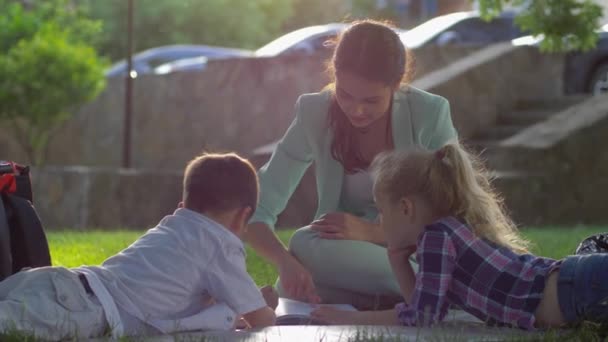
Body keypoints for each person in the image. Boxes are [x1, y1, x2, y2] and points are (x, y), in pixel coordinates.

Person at [246, 19, 458, 308]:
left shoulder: (429, 114)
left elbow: (455, 212)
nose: (356, 110)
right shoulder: (314, 112)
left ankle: (430, 289)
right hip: (335, 255)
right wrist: (284, 262)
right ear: (334, 75)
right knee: (302, 248)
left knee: (304, 246)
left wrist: (373, 233)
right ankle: (417, 297)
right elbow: (256, 208)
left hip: (412, 255)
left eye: (371, 100)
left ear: (397, 85)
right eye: (345, 95)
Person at [311, 142, 608, 329]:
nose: (379, 220)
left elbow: (423, 316)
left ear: (405, 207)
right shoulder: (448, 230)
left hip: (578, 288)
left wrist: (350, 318)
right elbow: (424, 307)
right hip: (578, 288)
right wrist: (397, 259)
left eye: (381, 210)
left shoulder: (437, 237)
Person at [0, 153, 276, 340]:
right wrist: (268, 306)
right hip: (80, 309)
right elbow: (261, 319)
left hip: (57, 282)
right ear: (243, 216)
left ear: (183, 206)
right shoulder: (219, 243)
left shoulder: (174, 227)